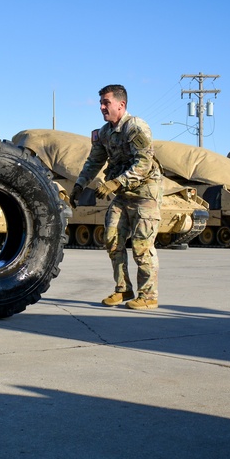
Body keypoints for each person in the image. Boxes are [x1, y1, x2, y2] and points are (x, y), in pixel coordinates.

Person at [70, 84, 163, 310]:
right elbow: (94, 162)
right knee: (112, 239)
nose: (102, 107)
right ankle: (123, 289)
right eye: (101, 103)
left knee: (142, 245)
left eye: (106, 103)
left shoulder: (136, 127)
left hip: (145, 194)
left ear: (121, 105)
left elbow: (144, 163)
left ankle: (148, 296)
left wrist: (115, 182)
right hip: (123, 195)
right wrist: (79, 186)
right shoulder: (104, 133)